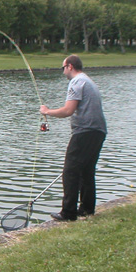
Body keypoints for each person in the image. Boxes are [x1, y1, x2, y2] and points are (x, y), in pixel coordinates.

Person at [40, 55, 107, 221]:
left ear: (70, 66)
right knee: (86, 171)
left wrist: (47, 111)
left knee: (70, 171)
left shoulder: (76, 82)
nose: (63, 72)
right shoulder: (88, 81)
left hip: (85, 131)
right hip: (98, 131)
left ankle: (68, 213)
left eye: (63, 68)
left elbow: (68, 111)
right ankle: (86, 209)